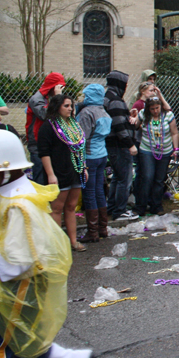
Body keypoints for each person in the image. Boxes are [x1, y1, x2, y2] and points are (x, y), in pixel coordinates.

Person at [0, 130, 96, 358]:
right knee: (23, 344)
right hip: (11, 288)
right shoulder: (9, 195)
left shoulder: (20, 206)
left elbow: (14, 264)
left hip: (16, 289)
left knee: (4, 346)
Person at [38, 94, 88, 252]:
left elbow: (80, 149)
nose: (70, 109)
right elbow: (44, 153)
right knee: (57, 208)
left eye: (71, 106)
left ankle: (73, 242)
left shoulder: (74, 124)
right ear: (57, 106)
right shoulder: (49, 126)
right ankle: (56, 245)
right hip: (59, 173)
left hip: (75, 171)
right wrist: (51, 174)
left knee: (72, 206)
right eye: (66, 106)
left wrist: (84, 167)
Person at [76, 84, 112, 243]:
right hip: (102, 154)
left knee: (89, 192)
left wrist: (81, 161)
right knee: (99, 190)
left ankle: (92, 232)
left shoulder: (86, 113)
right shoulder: (103, 111)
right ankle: (102, 228)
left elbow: (81, 138)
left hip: (89, 155)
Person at [103, 71, 138, 221]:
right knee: (125, 178)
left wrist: (127, 115)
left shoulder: (107, 98)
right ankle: (120, 211)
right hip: (119, 145)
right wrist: (130, 144)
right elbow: (118, 125)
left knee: (117, 177)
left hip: (112, 145)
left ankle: (112, 207)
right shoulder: (115, 100)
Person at [135, 97, 178, 217]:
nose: (155, 111)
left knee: (159, 179)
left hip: (165, 151)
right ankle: (141, 206)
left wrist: (176, 149)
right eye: (152, 109)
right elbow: (135, 126)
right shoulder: (143, 114)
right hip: (147, 149)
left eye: (157, 108)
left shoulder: (168, 115)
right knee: (147, 177)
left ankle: (156, 205)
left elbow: (174, 133)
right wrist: (134, 119)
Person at [25, 72, 65, 184]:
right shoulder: (36, 99)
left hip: (49, 141)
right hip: (37, 142)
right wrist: (58, 98)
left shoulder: (50, 98)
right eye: (58, 86)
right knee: (40, 177)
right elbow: (44, 115)